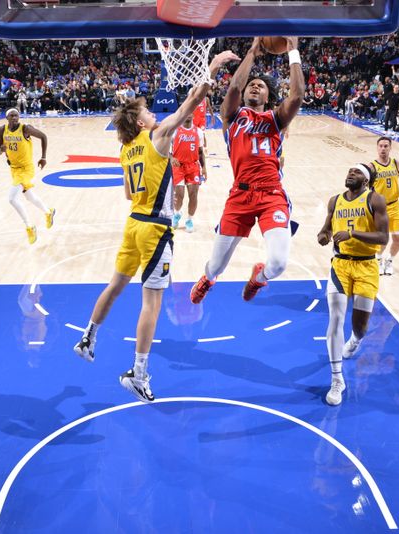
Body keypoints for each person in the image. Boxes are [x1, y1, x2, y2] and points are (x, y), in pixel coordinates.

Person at [73, 50, 239, 403]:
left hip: (133, 223)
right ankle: (139, 373)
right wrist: (212, 66)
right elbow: (193, 101)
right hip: (155, 230)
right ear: (139, 122)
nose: (153, 113)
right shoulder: (157, 136)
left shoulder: (126, 149)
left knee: (115, 286)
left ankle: (88, 338)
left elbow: (128, 192)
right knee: (151, 304)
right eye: (147, 111)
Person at [190, 36, 305, 304]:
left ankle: (259, 279)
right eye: (252, 84)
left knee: (278, 263)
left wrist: (294, 52)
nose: (255, 86)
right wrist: (252, 51)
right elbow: (232, 89)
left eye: (261, 85)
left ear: (269, 96)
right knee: (216, 265)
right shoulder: (232, 117)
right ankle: (208, 279)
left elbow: (297, 95)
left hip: (271, 195)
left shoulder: (277, 119)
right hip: (239, 196)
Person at [317, 164, 388, 406]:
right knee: (335, 319)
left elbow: (383, 237)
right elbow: (326, 229)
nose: (350, 174)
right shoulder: (335, 201)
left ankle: (356, 340)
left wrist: (354, 234)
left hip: (367, 266)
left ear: (366, 180)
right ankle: (337, 379)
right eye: (348, 170)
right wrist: (323, 236)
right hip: (340, 265)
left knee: (360, 326)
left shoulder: (375, 200)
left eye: (356, 172)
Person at [0, 108, 55, 244]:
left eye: (16, 115)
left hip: (26, 169)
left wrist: (43, 157)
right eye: (12, 115)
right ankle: (48, 212)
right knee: (29, 196)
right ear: (7, 118)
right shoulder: (1, 130)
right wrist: (1, 150)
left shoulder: (25, 129)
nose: (15, 117)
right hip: (14, 169)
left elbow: (43, 137)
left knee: (11, 199)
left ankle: (29, 226)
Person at [370, 136, 399, 275]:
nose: (383, 148)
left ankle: (389, 260)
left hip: (394, 206)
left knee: (398, 238)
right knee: (383, 239)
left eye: (386, 146)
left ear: (390, 148)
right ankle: (378, 260)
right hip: (379, 208)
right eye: (381, 146)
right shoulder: (372, 166)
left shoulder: (396, 163)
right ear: (377, 148)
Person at [171, 116, 207, 233]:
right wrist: (171, 157)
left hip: (193, 166)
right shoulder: (175, 130)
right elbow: (164, 146)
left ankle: (189, 220)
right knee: (179, 194)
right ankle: (177, 213)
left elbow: (200, 152)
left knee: (193, 194)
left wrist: (204, 167)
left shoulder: (199, 132)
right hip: (178, 166)